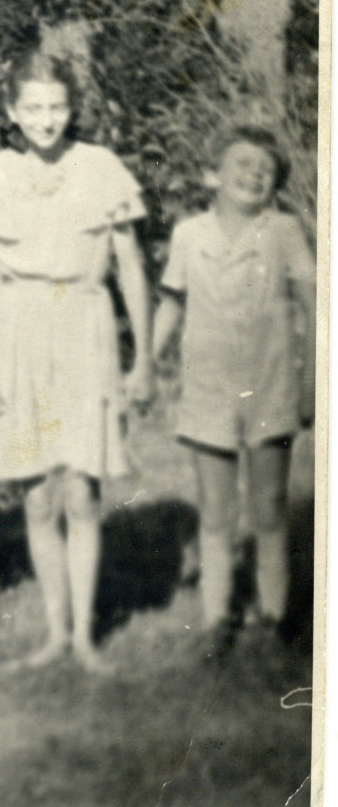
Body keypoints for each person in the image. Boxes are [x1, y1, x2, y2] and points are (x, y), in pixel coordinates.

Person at [0, 48, 151, 674]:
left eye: (57, 107)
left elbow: (129, 266)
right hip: (19, 333)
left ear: (73, 109)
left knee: (79, 488)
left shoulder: (100, 167)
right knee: (37, 493)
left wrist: (143, 357)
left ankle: (85, 639)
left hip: (83, 328)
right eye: (33, 108)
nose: (46, 119)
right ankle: (52, 631)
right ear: (13, 112)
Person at [149, 124, 314, 658]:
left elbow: (316, 308)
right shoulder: (189, 234)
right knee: (216, 511)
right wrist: (145, 362)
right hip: (208, 388)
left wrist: (313, 378)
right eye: (240, 164)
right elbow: (171, 302)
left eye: (264, 170)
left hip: (270, 386)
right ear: (211, 174)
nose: (252, 175)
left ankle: (272, 618)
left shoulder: (286, 231)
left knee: (268, 507)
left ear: (276, 185)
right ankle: (218, 619)